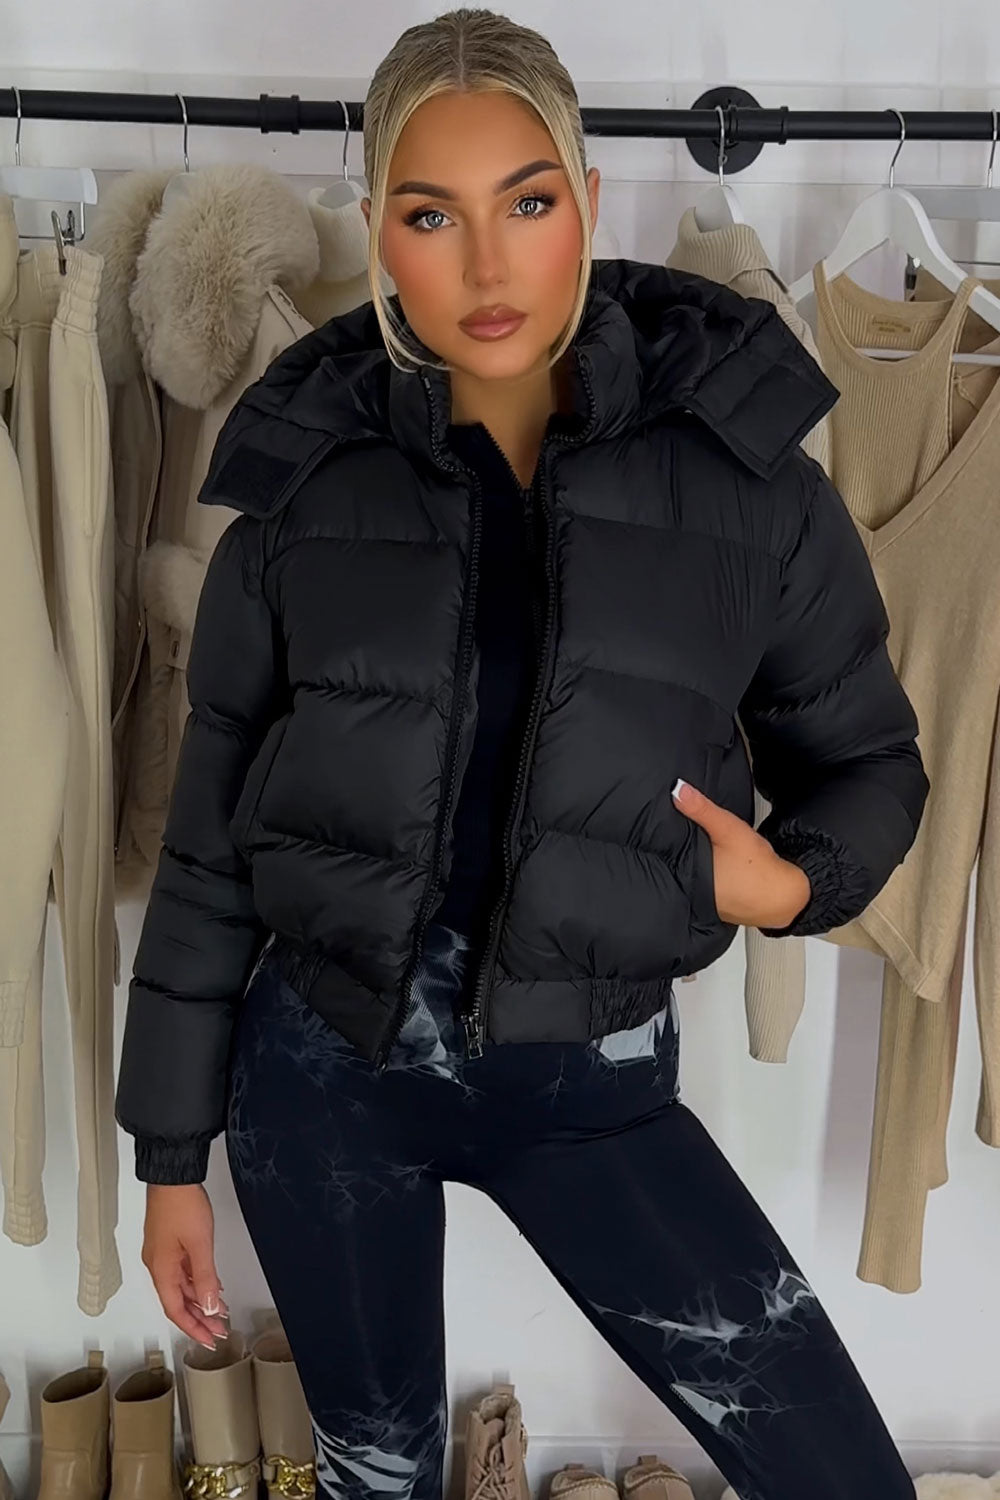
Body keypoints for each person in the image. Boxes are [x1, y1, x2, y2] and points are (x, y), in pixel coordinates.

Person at [114, 9, 929, 1499]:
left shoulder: (740, 479)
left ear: (590, 204)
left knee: (840, 1478)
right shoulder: (305, 482)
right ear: (380, 231)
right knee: (379, 1474)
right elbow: (212, 841)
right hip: (325, 1081)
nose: (487, 267)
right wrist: (169, 1155)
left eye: (529, 202)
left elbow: (871, 762)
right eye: (432, 216)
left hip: (591, 1082)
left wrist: (790, 885)